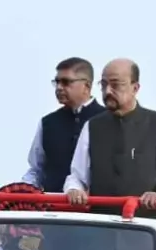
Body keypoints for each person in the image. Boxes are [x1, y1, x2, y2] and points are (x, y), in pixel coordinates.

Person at [64, 58, 156, 214]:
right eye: (103, 85)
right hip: (101, 226)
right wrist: (74, 189)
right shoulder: (92, 126)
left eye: (116, 85)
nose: (108, 91)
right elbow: (77, 176)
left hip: (146, 228)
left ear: (135, 88)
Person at [23, 56, 106, 193]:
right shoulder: (48, 123)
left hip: (96, 210)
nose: (59, 88)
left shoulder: (107, 119)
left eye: (66, 82)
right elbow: (36, 169)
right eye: (57, 82)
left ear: (87, 86)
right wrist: (24, 189)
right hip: (52, 208)